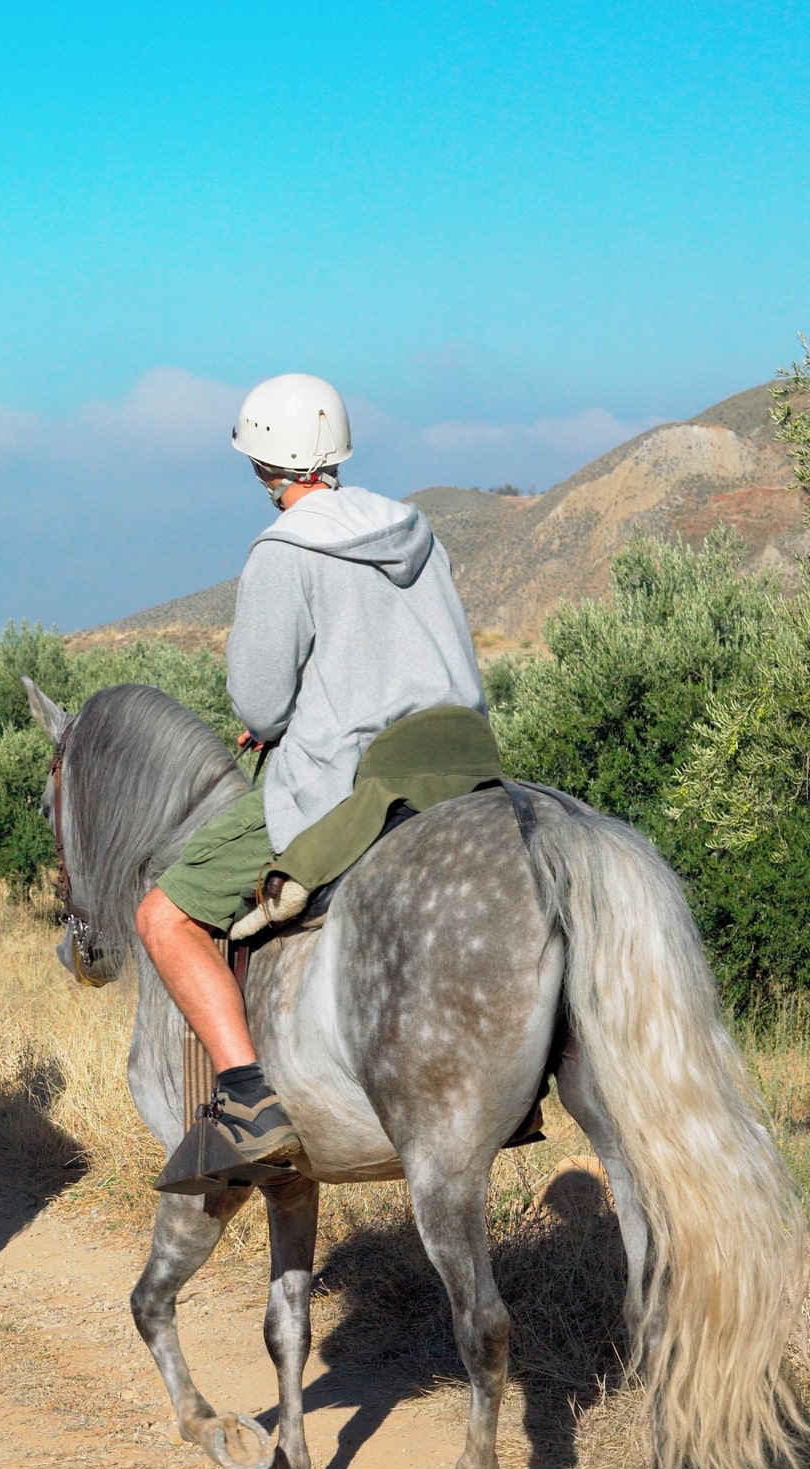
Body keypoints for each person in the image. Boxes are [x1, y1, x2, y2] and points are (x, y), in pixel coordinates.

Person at [137, 374, 486, 1191]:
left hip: (354, 780)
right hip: (464, 764)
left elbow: (259, 699)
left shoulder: (283, 551)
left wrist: (276, 719)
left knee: (164, 915)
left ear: (264, 465)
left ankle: (250, 1104)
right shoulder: (416, 529)